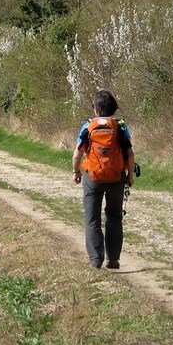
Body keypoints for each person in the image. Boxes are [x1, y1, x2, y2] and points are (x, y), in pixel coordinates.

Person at [72, 90, 136, 269]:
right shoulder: (120, 126)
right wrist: (130, 177)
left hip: (92, 177)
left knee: (92, 219)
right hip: (116, 177)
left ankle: (95, 260)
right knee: (114, 217)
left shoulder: (88, 126)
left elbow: (78, 153)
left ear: (96, 109)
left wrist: (76, 172)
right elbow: (130, 154)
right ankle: (113, 259)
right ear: (113, 109)